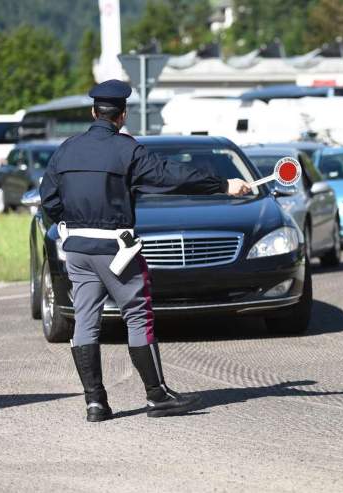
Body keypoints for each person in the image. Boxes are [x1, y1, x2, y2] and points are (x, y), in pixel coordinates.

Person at [39, 80, 251, 422]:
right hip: (114, 249)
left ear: (94, 112)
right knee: (138, 315)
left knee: (86, 321)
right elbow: (170, 177)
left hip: (76, 248)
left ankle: (95, 403)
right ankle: (157, 396)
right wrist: (223, 184)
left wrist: (74, 222)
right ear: (122, 115)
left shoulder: (66, 149)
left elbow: (48, 198)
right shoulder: (127, 149)